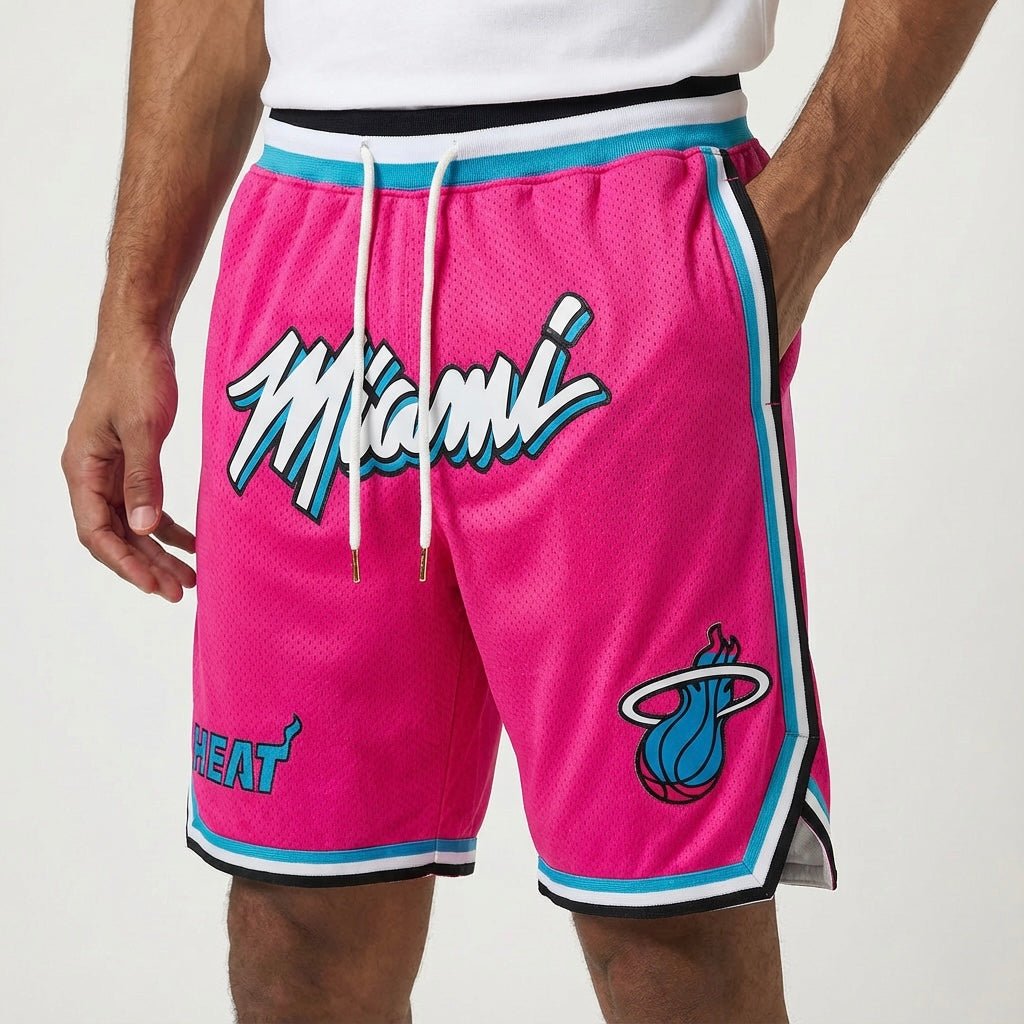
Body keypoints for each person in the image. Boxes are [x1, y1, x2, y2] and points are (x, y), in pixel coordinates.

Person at [61, 1, 996, 1020]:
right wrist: (132, 311)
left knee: (666, 940)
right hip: (314, 249)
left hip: (626, 212)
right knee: (294, 933)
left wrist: (803, 218)